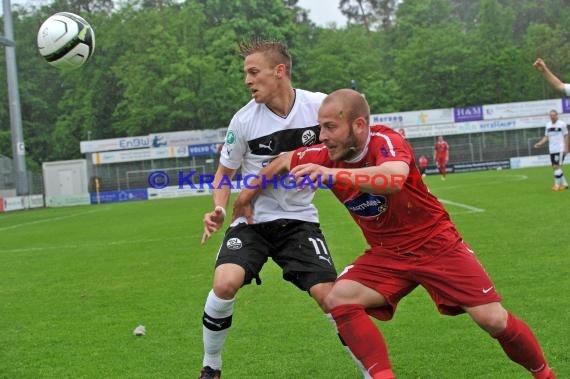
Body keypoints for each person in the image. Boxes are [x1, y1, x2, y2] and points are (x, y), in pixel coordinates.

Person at [233, 89, 557, 379]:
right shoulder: (324, 154)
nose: (322, 135)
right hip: (387, 253)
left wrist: (332, 174)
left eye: (331, 127)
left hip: (437, 244)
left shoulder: (385, 142)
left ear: (358, 126)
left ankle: (545, 375)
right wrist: (246, 197)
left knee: (493, 320)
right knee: (339, 299)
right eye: (321, 127)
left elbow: (392, 178)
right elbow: (284, 160)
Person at [199, 40, 368, 379]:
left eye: (253, 72)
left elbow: (355, 133)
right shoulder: (243, 121)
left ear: (279, 72)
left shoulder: (318, 106)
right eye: (246, 73)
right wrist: (219, 208)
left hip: (299, 222)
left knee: (331, 298)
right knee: (225, 282)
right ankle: (211, 366)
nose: (247, 80)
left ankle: (370, 372)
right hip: (252, 221)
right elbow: (223, 176)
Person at [533, 110, 569, 191]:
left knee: (556, 166)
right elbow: (546, 137)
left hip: (560, 148)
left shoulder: (562, 124)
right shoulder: (548, 125)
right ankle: (565, 184)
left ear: (557, 116)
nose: (552, 117)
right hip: (552, 149)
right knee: (555, 167)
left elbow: (566, 136)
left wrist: (566, 148)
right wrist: (539, 143)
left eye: (553, 115)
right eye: (551, 115)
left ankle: (556, 185)